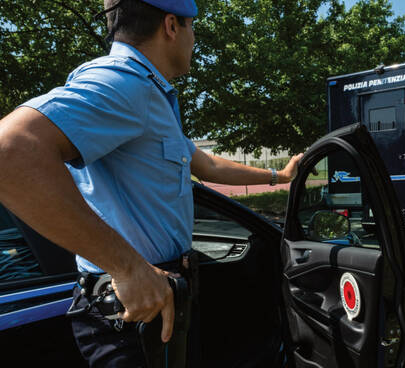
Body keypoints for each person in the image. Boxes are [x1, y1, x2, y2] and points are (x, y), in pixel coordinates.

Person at [0, 0, 302, 365]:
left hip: (159, 299)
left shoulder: (148, 93)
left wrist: (278, 176)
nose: (195, 40)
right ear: (172, 26)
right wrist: (126, 267)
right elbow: (9, 151)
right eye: (193, 27)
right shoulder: (124, 83)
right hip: (135, 313)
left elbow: (205, 164)